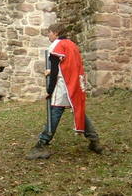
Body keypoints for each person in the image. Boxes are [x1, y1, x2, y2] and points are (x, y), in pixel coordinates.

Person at [26, 23, 103, 160]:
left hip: (63, 86)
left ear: (55, 32)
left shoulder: (57, 45)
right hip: (74, 84)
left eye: (49, 32)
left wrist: (50, 90)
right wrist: (52, 71)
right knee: (78, 111)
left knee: (55, 112)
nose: (48, 35)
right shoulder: (72, 45)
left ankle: (42, 143)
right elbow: (66, 65)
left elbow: (56, 71)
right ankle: (94, 140)